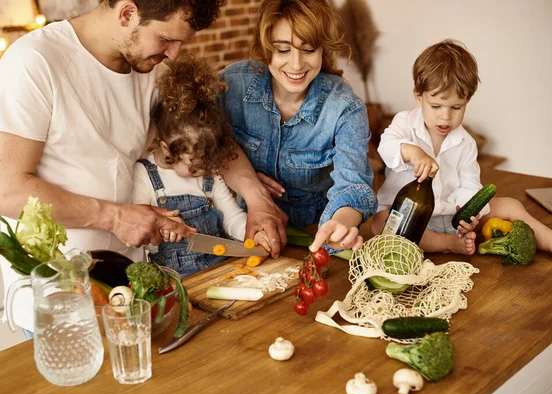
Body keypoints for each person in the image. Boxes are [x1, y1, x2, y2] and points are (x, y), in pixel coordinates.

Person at [0, 0, 285, 336]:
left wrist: (257, 201)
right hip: (59, 296)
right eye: (166, 39)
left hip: (133, 289)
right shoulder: (33, 64)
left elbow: (212, 142)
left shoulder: (148, 68)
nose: (173, 54)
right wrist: (115, 217)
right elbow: (4, 191)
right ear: (127, 13)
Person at [219, 0, 378, 254]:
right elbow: (207, 147)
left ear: (322, 50)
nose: (296, 65)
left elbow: (353, 186)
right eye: (282, 50)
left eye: (308, 49)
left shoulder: (345, 107)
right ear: (266, 48)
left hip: (315, 236)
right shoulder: (230, 86)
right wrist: (249, 184)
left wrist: (340, 225)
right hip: (246, 232)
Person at [372, 39, 552, 254]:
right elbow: (387, 145)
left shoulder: (466, 143)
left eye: (456, 107)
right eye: (436, 106)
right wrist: (414, 153)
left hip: (450, 217)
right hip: (409, 217)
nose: (446, 116)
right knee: (380, 222)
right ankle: (446, 243)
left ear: (467, 99)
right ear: (419, 97)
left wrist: (469, 215)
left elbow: (469, 184)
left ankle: (549, 240)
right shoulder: (404, 122)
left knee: (510, 205)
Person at [132, 55, 270, 277]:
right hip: (175, 278)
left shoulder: (209, 171)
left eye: (207, 165)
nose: (203, 172)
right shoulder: (144, 175)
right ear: (168, 150)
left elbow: (231, 217)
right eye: (195, 168)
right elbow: (142, 240)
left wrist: (252, 233)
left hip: (221, 268)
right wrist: (159, 233)